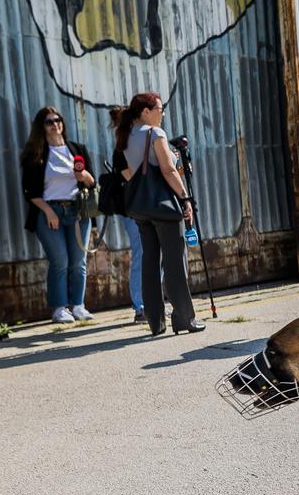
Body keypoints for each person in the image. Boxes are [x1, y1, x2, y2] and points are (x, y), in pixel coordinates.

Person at [115, 93, 205, 335]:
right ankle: (184, 319)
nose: (162, 113)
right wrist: (185, 197)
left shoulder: (126, 136)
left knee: (150, 262)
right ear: (146, 111)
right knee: (175, 263)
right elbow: (167, 169)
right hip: (164, 205)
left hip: (142, 207)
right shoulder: (155, 134)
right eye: (159, 109)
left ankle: (156, 322)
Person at [21, 106, 96, 324]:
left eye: (58, 120)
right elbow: (29, 191)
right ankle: (59, 308)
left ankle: (79, 305)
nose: (55, 125)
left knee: (78, 260)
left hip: (77, 210)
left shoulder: (76, 149)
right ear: (41, 127)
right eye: (49, 122)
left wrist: (85, 176)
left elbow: (92, 184)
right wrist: (47, 211)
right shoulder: (35, 154)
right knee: (60, 260)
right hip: (49, 211)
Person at [106, 106, 146, 322]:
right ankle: (140, 305)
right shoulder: (122, 150)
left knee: (151, 255)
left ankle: (151, 300)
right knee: (141, 254)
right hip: (132, 210)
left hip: (146, 208)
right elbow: (134, 178)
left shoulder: (140, 146)